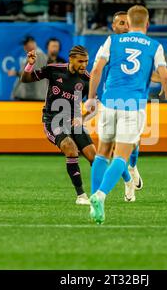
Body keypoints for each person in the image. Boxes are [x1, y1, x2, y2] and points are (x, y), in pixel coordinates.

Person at [86, 5, 167, 224]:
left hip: (109, 102)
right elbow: (164, 77)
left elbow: (96, 69)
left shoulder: (112, 41)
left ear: (128, 21)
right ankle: (100, 196)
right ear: (147, 24)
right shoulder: (154, 46)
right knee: (121, 156)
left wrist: (91, 98)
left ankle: (93, 201)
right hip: (133, 105)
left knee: (102, 153)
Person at [20, 45, 96, 205]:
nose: (84, 65)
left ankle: (99, 194)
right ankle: (81, 196)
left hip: (74, 122)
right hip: (52, 120)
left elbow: (94, 107)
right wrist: (30, 64)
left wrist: (82, 118)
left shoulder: (88, 80)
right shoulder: (54, 70)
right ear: (71, 59)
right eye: (81, 61)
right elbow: (25, 79)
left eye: (87, 61)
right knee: (70, 147)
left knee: (94, 156)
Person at [92, 10, 146, 203]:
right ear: (114, 27)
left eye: (127, 23)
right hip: (111, 101)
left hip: (133, 99)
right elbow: (96, 69)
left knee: (133, 144)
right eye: (121, 23)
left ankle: (132, 168)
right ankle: (128, 181)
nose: (125, 26)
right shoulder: (109, 45)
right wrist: (93, 95)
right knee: (114, 148)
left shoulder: (139, 47)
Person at [11, 35, 48, 101]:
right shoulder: (33, 54)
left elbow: (34, 74)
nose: (24, 47)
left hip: (33, 96)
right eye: (24, 44)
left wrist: (17, 73)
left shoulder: (38, 55)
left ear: (32, 42)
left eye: (26, 44)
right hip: (31, 95)